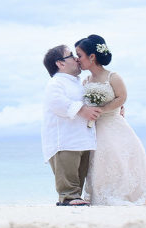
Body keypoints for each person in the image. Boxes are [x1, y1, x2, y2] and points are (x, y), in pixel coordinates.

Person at [75, 34, 146, 205]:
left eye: (79, 55)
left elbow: (121, 97)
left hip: (114, 125)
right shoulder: (86, 80)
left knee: (121, 160)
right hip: (96, 129)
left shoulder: (112, 77)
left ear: (92, 57)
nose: (77, 59)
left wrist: (103, 109)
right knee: (100, 164)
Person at [41, 45, 102, 206]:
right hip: (64, 139)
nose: (76, 58)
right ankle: (67, 197)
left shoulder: (77, 83)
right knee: (67, 170)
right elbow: (58, 103)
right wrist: (82, 110)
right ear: (60, 63)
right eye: (71, 55)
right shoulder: (55, 83)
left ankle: (76, 196)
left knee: (80, 171)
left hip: (82, 137)